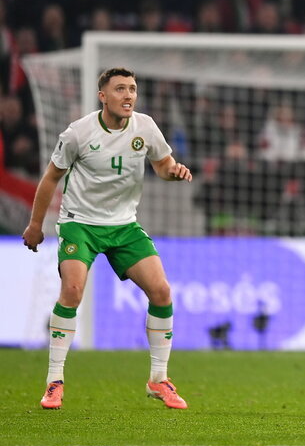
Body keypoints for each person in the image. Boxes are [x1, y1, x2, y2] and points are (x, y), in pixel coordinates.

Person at [21, 67, 193, 410]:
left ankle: (158, 380)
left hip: (123, 226)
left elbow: (162, 164)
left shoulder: (145, 127)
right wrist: (35, 224)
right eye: (120, 89)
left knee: (161, 291)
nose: (128, 95)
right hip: (79, 223)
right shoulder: (78, 133)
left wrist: (172, 172)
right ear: (103, 96)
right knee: (72, 291)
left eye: (132, 89)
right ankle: (55, 381)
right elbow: (51, 178)